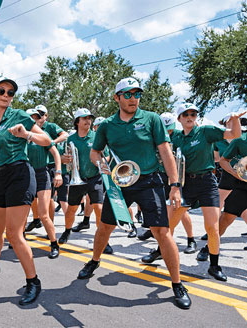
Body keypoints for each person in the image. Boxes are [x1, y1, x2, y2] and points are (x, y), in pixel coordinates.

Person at [80, 77, 191, 310]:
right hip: (119, 183)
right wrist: (101, 163)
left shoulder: (152, 119)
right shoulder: (108, 125)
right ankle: (94, 260)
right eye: (127, 94)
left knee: (162, 231)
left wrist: (175, 184)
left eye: (137, 94)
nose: (133, 99)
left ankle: (177, 284)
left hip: (149, 180)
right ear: (117, 98)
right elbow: (95, 152)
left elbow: (165, 151)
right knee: (105, 227)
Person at [0, 77, 51, 306]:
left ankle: (33, 281)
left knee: (13, 233)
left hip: (20, 174)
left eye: (10, 92)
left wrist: (26, 135)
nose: (6, 95)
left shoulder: (19, 115)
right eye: (1, 90)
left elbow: (46, 140)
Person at [167, 103, 244, 281]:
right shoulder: (176, 137)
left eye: (193, 113)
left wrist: (235, 120)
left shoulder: (206, 131)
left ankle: (214, 266)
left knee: (212, 227)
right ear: (179, 118)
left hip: (207, 182)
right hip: (185, 184)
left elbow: (235, 135)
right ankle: (160, 250)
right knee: (169, 225)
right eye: (185, 114)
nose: (190, 116)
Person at [140, 112, 197, 261]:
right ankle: (158, 240)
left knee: (181, 210)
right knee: (161, 209)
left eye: (170, 129)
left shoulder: (179, 135)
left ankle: (191, 239)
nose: (168, 132)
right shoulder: (155, 135)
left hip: (175, 177)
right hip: (159, 175)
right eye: (166, 129)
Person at [60, 108, 114, 253]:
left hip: (95, 178)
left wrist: (103, 162)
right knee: (71, 209)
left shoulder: (96, 136)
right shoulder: (70, 139)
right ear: (77, 122)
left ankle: (104, 240)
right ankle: (67, 230)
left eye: (89, 118)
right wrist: (64, 159)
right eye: (84, 119)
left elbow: (107, 155)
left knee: (99, 209)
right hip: (77, 179)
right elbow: (62, 157)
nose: (88, 121)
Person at [25, 108, 63, 259]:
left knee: (43, 214)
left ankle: (54, 244)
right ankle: (19, 239)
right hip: (25, 175)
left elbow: (55, 153)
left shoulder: (43, 135)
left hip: (41, 174)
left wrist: (59, 172)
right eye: (31, 117)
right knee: (22, 213)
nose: (35, 120)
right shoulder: (19, 136)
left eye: (37, 117)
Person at [218, 132, 247, 248]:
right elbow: (223, 160)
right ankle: (209, 246)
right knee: (227, 217)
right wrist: (236, 174)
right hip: (243, 186)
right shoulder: (240, 140)